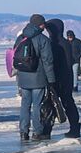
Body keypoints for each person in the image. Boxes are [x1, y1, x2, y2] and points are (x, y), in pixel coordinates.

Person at [12, 14, 55, 143]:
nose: (44, 26)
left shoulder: (21, 38)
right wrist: (51, 80)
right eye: (43, 24)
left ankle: (23, 132)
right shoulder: (43, 39)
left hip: (23, 78)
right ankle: (37, 132)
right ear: (39, 25)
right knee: (37, 105)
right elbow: (48, 61)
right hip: (38, 78)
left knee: (25, 105)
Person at [39, 18, 80, 138]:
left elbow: (62, 63)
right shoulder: (59, 43)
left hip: (60, 79)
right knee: (57, 104)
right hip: (62, 79)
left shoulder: (59, 44)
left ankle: (72, 128)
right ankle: (50, 129)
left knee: (61, 103)